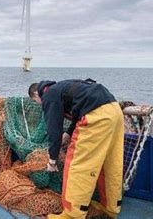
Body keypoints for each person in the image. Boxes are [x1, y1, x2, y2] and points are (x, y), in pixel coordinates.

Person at [28, 79, 124, 219]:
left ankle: (72, 214)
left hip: (96, 117)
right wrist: (68, 133)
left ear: (37, 94)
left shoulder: (48, 95)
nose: (39, 104)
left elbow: (53, 130)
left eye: (36, 101)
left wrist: (52, 160)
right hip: (115, 111)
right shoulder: (63, 87)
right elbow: (79, 109)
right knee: (110, 163)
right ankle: (110, 207)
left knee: (78, 166)